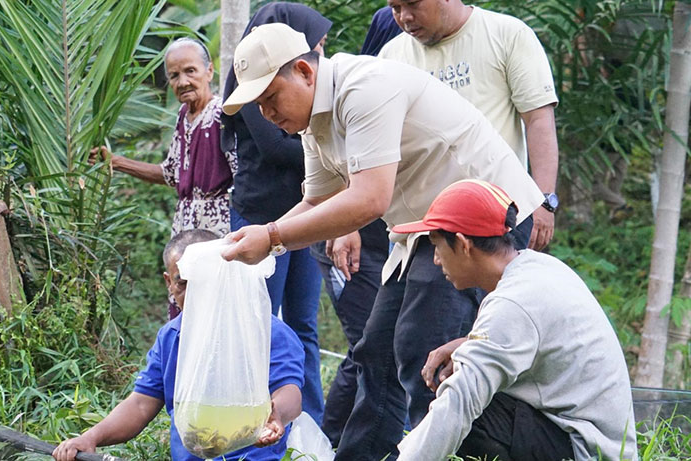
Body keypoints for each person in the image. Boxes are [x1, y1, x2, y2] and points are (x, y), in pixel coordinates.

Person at [220, 23, 545, 460]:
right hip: (422, 230)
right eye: (258, 105)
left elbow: (369, 199)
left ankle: (454, 452)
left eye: (271, 97)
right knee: (375, 351)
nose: (266, 113)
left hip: (482, 218)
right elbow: (317, 200)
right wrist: (262, 238)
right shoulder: (314, 121)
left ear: (304, 71)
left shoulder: (363, 88)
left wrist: (272, 236)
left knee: (424, 351)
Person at [391, 179, 637, 461]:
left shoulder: (512, 303)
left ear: (463, 244)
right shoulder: (537, 267)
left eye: (437, 246)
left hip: (586, 450)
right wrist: (467, 344)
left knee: (463, 407)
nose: (436, 259)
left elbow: (460, 402)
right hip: (588, 437)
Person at [52, 229, 304, 461]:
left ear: (223, 276)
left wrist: (276, 415)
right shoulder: (171, 336)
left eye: (204, 282)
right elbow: (140, 404)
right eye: (183, 284)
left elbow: (289, 392)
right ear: (169, 283)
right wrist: (90, 438)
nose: (195, 294)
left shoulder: (266, 332)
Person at [220, 2, 328, 425]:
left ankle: (309, 422)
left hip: (305, 218)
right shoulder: (257, 86)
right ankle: (254, 418)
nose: (319, 53)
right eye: (313, 43)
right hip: (260, 218)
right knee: (260, 324)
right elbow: (276, 148)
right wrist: (330, 152)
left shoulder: (304, 85)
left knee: (304, 324)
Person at [379, 0, 560, 251]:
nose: (405, 17)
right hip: (417, 228)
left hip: (495, 221)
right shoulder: (391, 57)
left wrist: (544, 201)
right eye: (396, 8)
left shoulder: (506, 34)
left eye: (413, 4)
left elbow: (538, 119)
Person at [91, 37, 237, 319]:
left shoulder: (222, 115)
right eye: (174, 75)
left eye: (190, 71)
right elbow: (171, 173)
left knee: (215, 306)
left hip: (217, 228)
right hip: (184, 227)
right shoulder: (184, 116)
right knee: (184, 302)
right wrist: (116, 162)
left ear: (209, 71)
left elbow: (242, 175)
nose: (183, 82)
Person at [313, 6, 398, 447]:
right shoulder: (350, 97)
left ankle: (361, 441)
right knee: (367, 345)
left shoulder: (394, 97)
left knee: (384, 345)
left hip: (394, 239)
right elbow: (326, 189)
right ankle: (332, 441)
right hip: (347, 239)